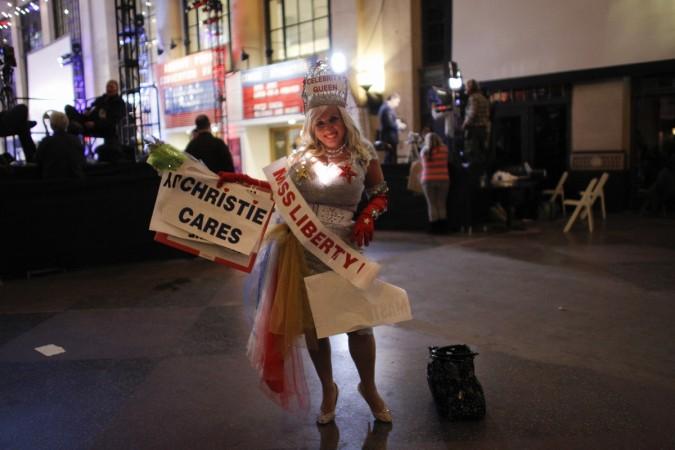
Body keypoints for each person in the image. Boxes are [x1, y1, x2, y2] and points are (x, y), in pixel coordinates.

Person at [218, 61, 391, 424]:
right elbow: (271, 193)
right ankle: (329, 388)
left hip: (344, 249)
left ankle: (369, 388)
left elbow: (381, 193)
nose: (328, 128)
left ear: (345, 118)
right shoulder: (299, 161)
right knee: (314, 326)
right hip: (303, 250)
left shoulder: (363, 156)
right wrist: (235, 179)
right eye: (320, 122)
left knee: (359, 324)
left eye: (334, 119)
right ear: (311, 125)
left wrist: (367, 215)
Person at [34, 111, 85, 179]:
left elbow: (37, 159)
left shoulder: (46, 141)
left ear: (51, 125)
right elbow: (81, 160)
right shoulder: (76, 140)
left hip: (52, 182)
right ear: (66, 123)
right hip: (74, 182)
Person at [420, 132, 450, 233]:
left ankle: (434, 228)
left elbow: (421, 162)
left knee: (431, 204)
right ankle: (443, 228)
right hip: (443, 179)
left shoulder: (424, 151)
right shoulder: (444, 150)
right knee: (441, 203)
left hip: (428, 180)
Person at [461, 79, 490, 166]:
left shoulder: (473, 98)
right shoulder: (483, 98)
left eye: (466, 87)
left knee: (473, 153)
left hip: (474, 130)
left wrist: (465, 124)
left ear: (470, 88)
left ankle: (474, 174)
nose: (465, 89)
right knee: (482, 153)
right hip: (483, 129)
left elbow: (472, 113)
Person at [377, 92, 406, 164]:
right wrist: (399, 125)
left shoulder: (385, 108)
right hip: (389, 137)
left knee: (390, 157)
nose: (397, 104)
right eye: (397, 102)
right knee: (391, 159)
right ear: (392, 99)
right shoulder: (387, 109)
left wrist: (397, 122)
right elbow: (390, 123)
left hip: (388, 137)